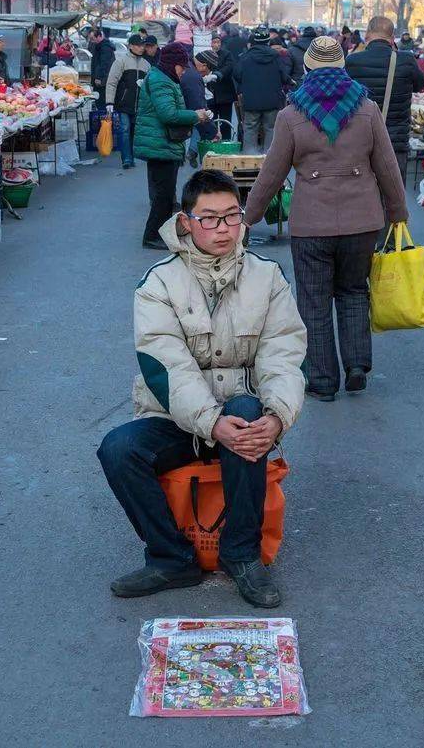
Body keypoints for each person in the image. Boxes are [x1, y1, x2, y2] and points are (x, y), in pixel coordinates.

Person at [96, 169, 306, 606]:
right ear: (186, 221)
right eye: (209, 218)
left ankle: (242, 555)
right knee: (118, 449)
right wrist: (211, 423)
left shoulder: (267, 277)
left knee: (249, 416)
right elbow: (164, 364)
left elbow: (282, 353)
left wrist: (278, 414)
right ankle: (171, 558)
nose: (223, 228)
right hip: (179, 418)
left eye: (232, 216)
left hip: (243, 414)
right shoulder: (158, 283)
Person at [244, 36, 408, 401]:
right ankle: (356, 366)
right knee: (353, 292)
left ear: (308, 68)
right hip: (362, 221)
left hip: (311, 224)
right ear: (343, 67)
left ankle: (322, 381)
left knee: (314, 301)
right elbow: (387, 167)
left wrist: (247, 218)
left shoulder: (290, 116)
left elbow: (271, 174)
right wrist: (397, 212)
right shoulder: (366, 110)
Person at [134, 42, 209, 248]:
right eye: (182, 66)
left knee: (165, 194)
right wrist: (195, 115)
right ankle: (152, 236)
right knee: (163, 195)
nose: (184, 71)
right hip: (159, 144)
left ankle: (161, 234)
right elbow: (168, 114)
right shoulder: (160, 80)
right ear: (172, 63)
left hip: (163, 143)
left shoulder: (164, 77)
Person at [345, 16, 424, 183]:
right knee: (393, 198)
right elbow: (420, 84)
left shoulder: (352, 61)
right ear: (392, 37)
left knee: (361, 197)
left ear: (367, 35)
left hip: (360, 141)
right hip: (394, 143)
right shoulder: (406, 60)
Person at [233, 28, 289, 153]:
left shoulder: (245, 57)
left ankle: (249, 159)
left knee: (250, 128)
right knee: (270, 128)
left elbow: (237, 74)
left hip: (251, 100)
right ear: (268, 41)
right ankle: (268, 160)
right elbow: (284, 76)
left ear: (254, 41)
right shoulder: (276, 57)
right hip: (272, 100)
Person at [106, 34, 150, 169]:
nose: (141, 48)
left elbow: (149, 86)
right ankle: (126, 159)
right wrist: (109, 102)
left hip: (139, 105)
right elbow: (111, 83)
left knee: (134, 132)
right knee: (125, 130)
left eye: (143, 45)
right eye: (138, 45)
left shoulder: (146, 64)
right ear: (130, 46)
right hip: (123, 103)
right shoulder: (121, 61)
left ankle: (131, 157)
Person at [182, 50, 219, 168]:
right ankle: (191, 151)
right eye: (207, 72)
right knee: (200, 122)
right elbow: (198, 107)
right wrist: (213, 131)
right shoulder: (193, 76)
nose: (205, 76)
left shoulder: (188, 69)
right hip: (181, 113)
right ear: (203, 65)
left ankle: (192, 151)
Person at [209, 32, 237, 132]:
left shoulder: (226, 54)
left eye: (218, 42)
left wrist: (217, 74)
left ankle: (226, 142)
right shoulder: (204, 54)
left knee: (226, 122)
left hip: (225, 94)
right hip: (211, 95)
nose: (217, 45)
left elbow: (229, 67)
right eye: (214, 42)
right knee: (211, 122)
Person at [90, 29, 116, 110]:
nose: (91, 41)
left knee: (101, 101)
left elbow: (104, 65)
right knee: (98, 100)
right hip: (99, 79)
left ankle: (104, 120)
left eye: (92, 38)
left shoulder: (105, 48)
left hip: (103, 80)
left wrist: (98, 78)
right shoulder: (98, 45)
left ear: (99, 37)